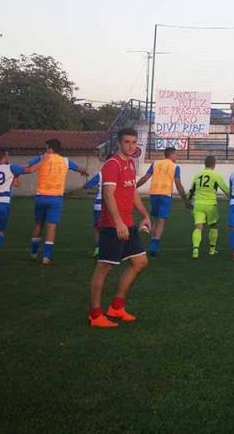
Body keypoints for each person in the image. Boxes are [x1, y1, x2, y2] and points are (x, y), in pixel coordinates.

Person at [88, 127, 152, 328]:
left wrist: (145, 214)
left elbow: (132, 192)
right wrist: (118, 223)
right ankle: (95, 315)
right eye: (127, 142)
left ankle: (116, 307)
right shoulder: (112, 164)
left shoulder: (131, 163)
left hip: (128, 224)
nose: (131, 146)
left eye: (134, 142)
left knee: (140, 262)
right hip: (112, 225)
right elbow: (108, 195)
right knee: (104, 268)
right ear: (118, 143)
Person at [27, 138, 89, 265]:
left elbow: (26, 166)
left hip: (41, 197)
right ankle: (46, 257)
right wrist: (85, 172)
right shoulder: (65, 161)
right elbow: (79, 168)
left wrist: (14, 173)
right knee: (51, 227)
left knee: (39, 224)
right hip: (56, 198)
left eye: (46, 147)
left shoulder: (42, 158)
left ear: (50, 148)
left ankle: (33, 253)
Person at [135, 147, 190, 256]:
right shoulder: (175, 167)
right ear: (171, 155)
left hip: (154, 194)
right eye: (176, 154)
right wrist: (185, 200)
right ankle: (154, 247)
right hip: (165, 195)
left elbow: (145, 178)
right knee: (161, 221)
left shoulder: (155, 163)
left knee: (156, 218)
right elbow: (178, 184)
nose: (177, 157)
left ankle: (151, 239)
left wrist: (134, 187)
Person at [189, 155, 230, 259]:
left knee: (198, 227)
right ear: (214, 164)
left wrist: (187, 201)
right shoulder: (215, 175)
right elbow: (225, 189)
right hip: (211, 204)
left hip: (198, 204)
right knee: (213, 226)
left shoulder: (197, 175)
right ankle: (212, 250)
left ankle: (195, 250)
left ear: (205, 164)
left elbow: (191, 191)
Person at [83, 154, 114, 258]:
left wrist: (85, 184)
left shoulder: (101, 174)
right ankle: (110, 248)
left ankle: (98, 249)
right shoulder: (118, 174)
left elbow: (87, 185)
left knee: (98, 227)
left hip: (99, 203)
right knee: (111, 227)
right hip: (112, 203)